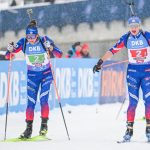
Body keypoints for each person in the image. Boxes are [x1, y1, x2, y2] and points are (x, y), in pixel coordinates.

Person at [93, 16, 150, 142]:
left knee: (149, 101)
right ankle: (129, 131)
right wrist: (100, 62)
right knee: (133, 103)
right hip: (133, 73)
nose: (133, 28)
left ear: (139, 26)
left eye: (136, 26)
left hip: (147, 72)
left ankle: (148, 130)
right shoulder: (126, 38)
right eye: (131, 26)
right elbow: (112, 50)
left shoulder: (147, 36)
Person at [5, 20, 63, 139]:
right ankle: (28, 129)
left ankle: (44, 126)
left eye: (32, 36)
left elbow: (59, 54)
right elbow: (8, 56)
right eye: (28, 36)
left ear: (37, 35)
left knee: (43, 100)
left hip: (46, 75)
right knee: (30, 103)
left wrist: (50, 47)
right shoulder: (23, 42)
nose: (30, 39)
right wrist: (9, 49)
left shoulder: (44, 40)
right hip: (32, 76)